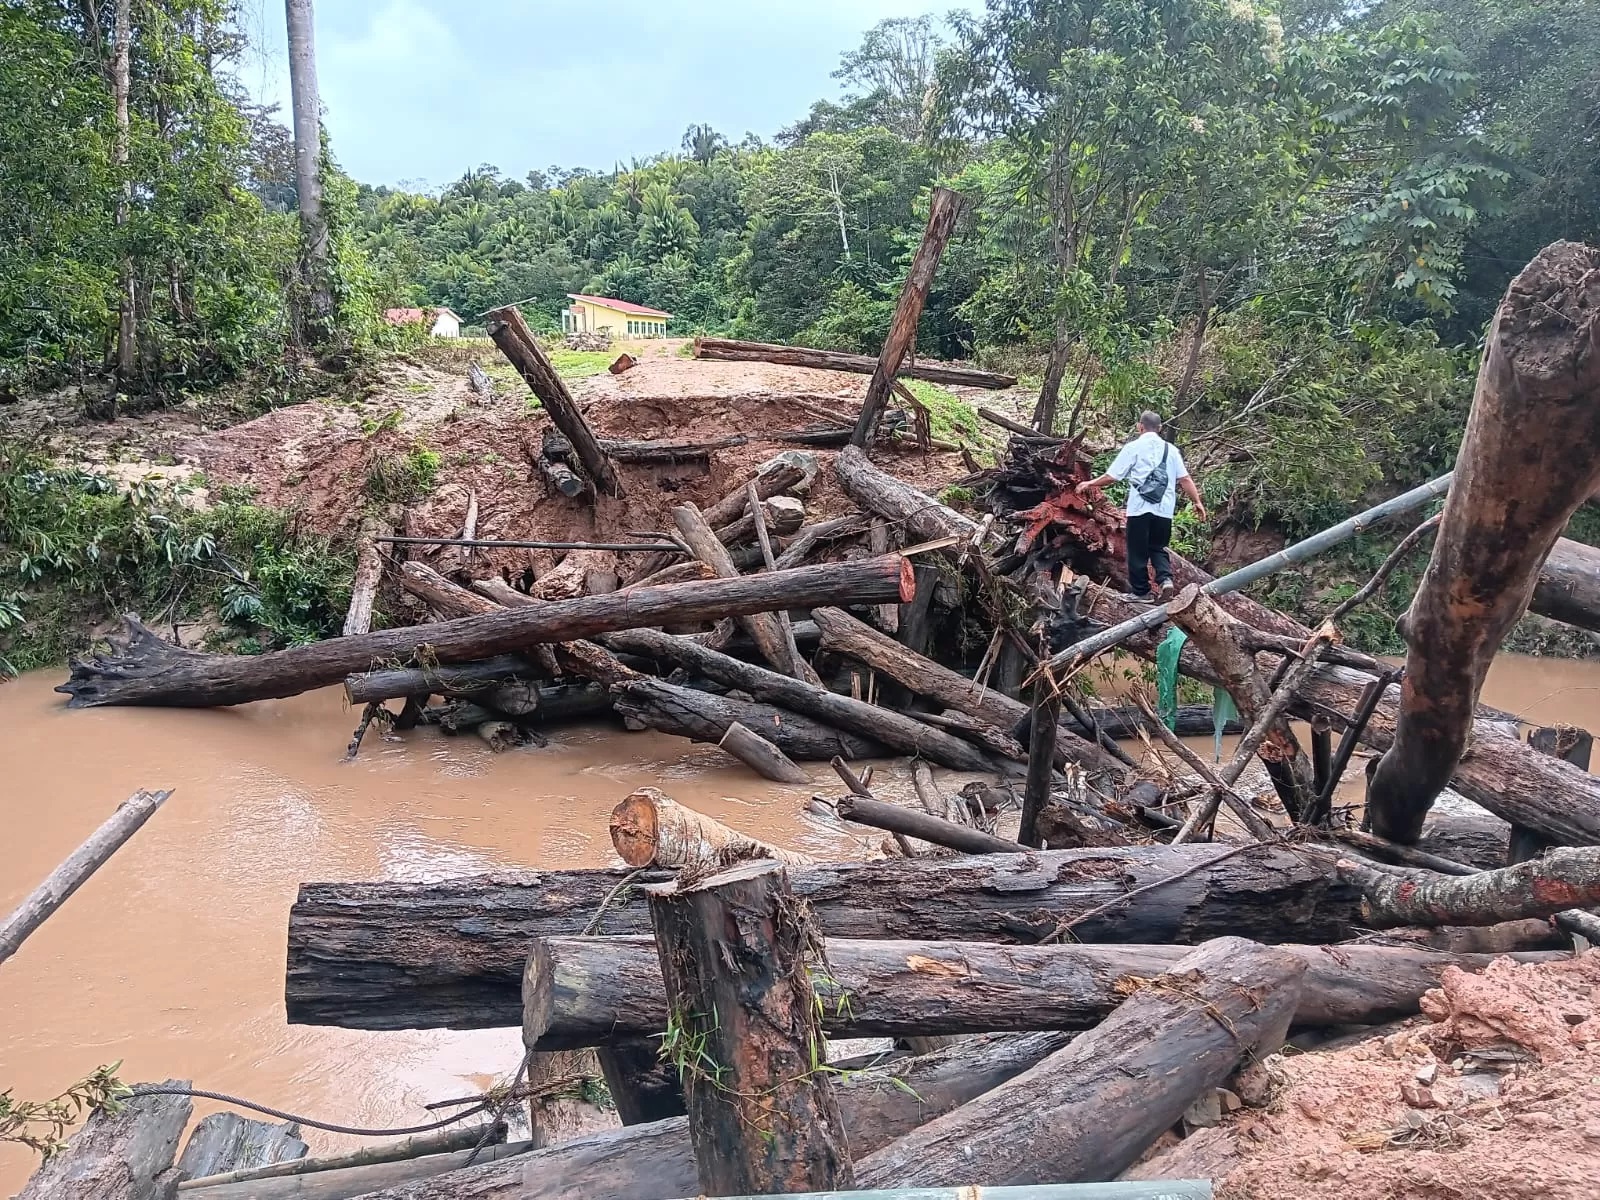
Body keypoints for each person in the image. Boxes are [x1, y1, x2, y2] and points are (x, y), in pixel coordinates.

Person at [1075, 410, 1206, 600]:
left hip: (1140, 509)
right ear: (1160, 428)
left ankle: (1142, 592)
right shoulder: (1171, 450)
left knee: (1137, 550)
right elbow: (1185, 478)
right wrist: (1197, 502)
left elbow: (1112, 476)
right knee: (1157, 547)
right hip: (1164, 510)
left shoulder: (1133, 447)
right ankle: (1165, 580)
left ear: (1140, 427)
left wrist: (1089, 483)